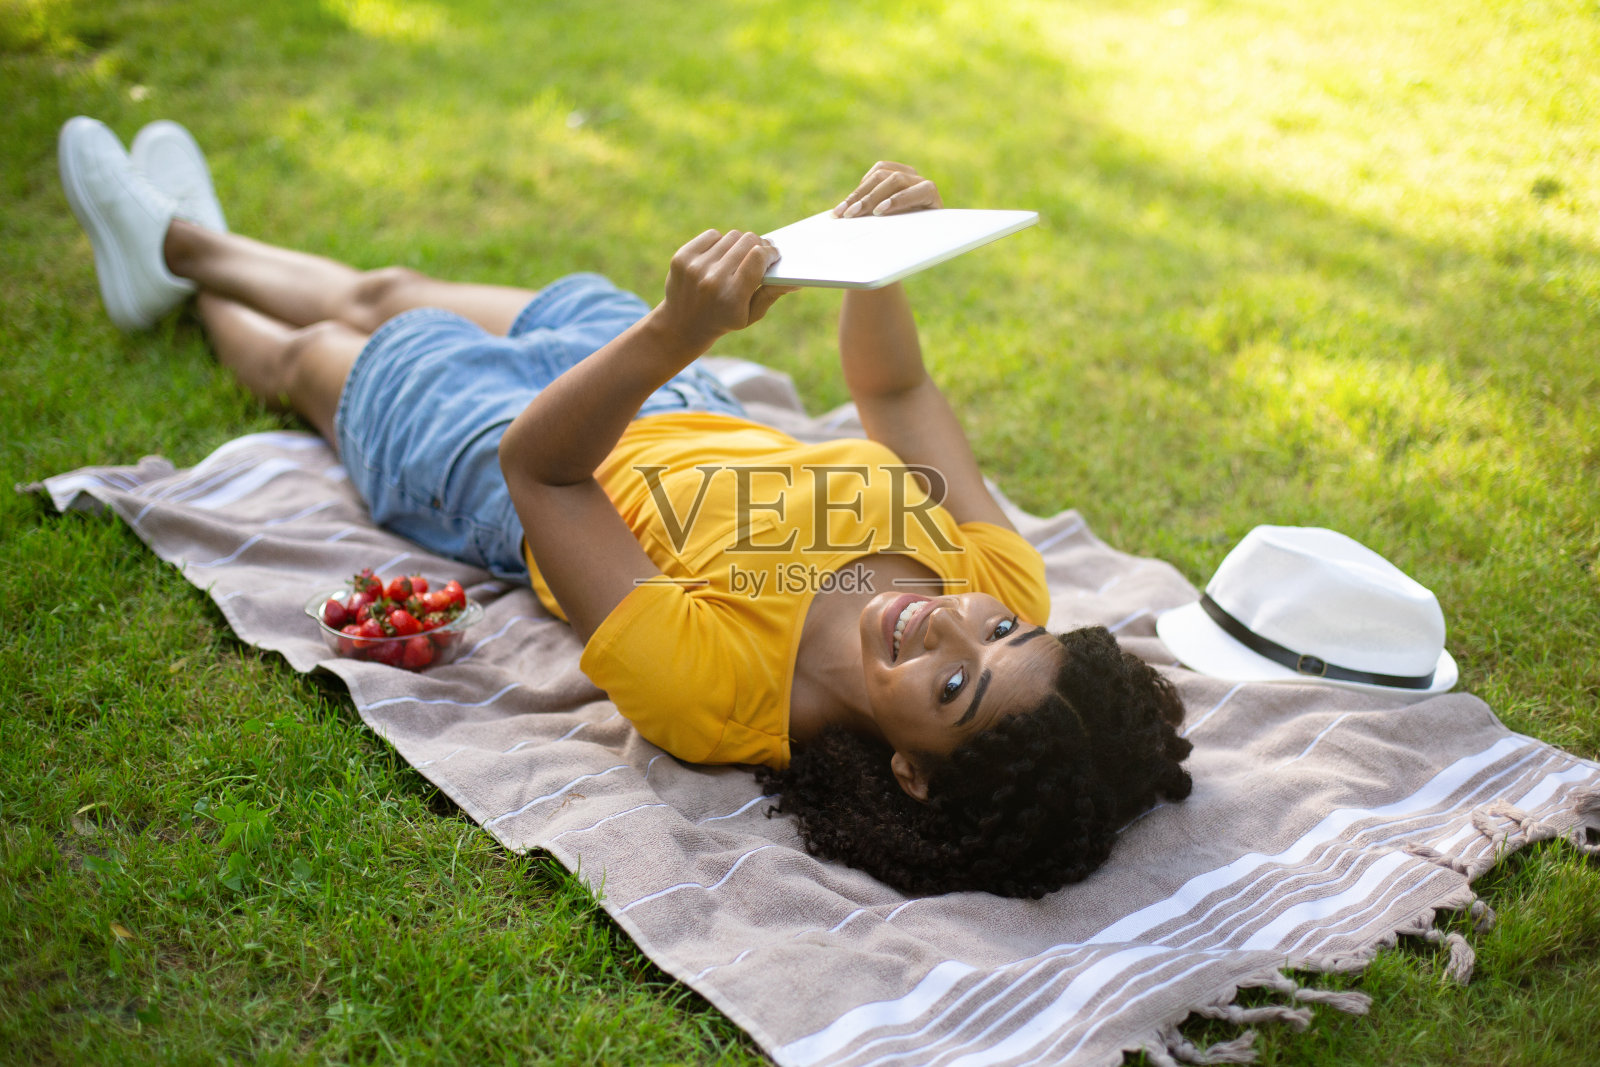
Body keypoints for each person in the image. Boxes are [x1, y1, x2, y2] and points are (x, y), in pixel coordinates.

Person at [58, 116, 1194, 897]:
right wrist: (877, 265)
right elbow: (894, 388)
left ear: (912, 771)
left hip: (505, 452)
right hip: (678, 387)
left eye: (951, 689)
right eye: (997, 633)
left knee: (316, 351)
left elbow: (541, 472)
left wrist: (672, 329)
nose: (950, 623)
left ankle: (171, 260)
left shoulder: (723, 697)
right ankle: (185, 240)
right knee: (392, 290)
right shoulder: (998, 580)